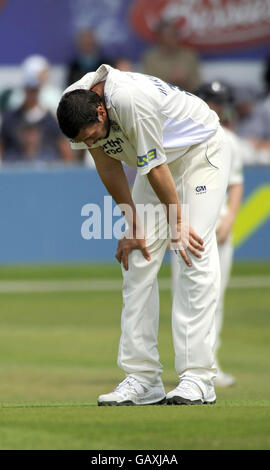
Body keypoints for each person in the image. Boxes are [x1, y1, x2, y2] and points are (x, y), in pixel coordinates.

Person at [57, 64, 232, 406]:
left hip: (200, 151)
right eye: (84, 141)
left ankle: (198, 378)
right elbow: (107, 164)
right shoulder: (74, 106)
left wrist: (178, 224)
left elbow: (153, 166)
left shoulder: (130, 99)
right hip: (157, 166)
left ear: (102, 110)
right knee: (137, 256)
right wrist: (132, 223)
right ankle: (142, 378)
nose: (92, 141)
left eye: (93, 134)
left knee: (191, 248)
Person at [171, 80, 244, 387]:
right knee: (184, 295)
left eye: (219, 102)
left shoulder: (229, 140)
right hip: (190, 224)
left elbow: (236, 182)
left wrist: (229, 221)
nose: (215, 107)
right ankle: (189, 366)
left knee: (214, 295)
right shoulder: (180, 136)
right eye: (209, 101)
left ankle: (209, 363)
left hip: (218, 225)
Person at [0, 74, 73, 163]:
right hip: (15, 164)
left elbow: (64, 147)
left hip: (46, 166)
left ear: (39, 91)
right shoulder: (10, 118)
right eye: (29, 89)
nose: (32, 93)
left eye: (34, 90)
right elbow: (2, 145)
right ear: (24, 90)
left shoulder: (50, 119)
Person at [142, 19, 201, 93]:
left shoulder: (189, 56)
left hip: (187, 98)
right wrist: (169, 82)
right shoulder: (151, 58)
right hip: (162, 101)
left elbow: (198, 84)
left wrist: (186, 81)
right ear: (159, 38)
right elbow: (148, 86)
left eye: (175, 35)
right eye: (169, 36)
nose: (173, 39)